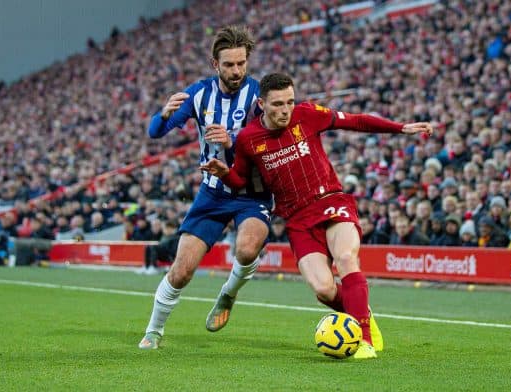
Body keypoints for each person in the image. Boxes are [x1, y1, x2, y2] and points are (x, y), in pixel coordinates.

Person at [201, 72, 433, 359]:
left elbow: (354, 120)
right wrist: (225, 173)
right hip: (297, 219)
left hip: (330, 201)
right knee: (324, 289)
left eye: (289, 102)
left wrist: (400, 128)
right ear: (261, 104)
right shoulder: (249, 139)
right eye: (277, 104)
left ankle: (364, 340)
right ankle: (361, 311)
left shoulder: (308, 114)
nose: (285, 110)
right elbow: (240, 180)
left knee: (347, 258)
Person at [138, 26, 272, 350]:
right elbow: (156, 132)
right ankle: (154, 331)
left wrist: (234, 140)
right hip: (212, 193)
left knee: (247, 248)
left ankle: (228, 293)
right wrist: (164, 113)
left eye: (241, 63)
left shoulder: (259, 96)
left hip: (251, 192)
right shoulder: (199, 94)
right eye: (229, 65)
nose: (237, 70)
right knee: (182, 270)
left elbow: (273, 140)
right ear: (216, 64)